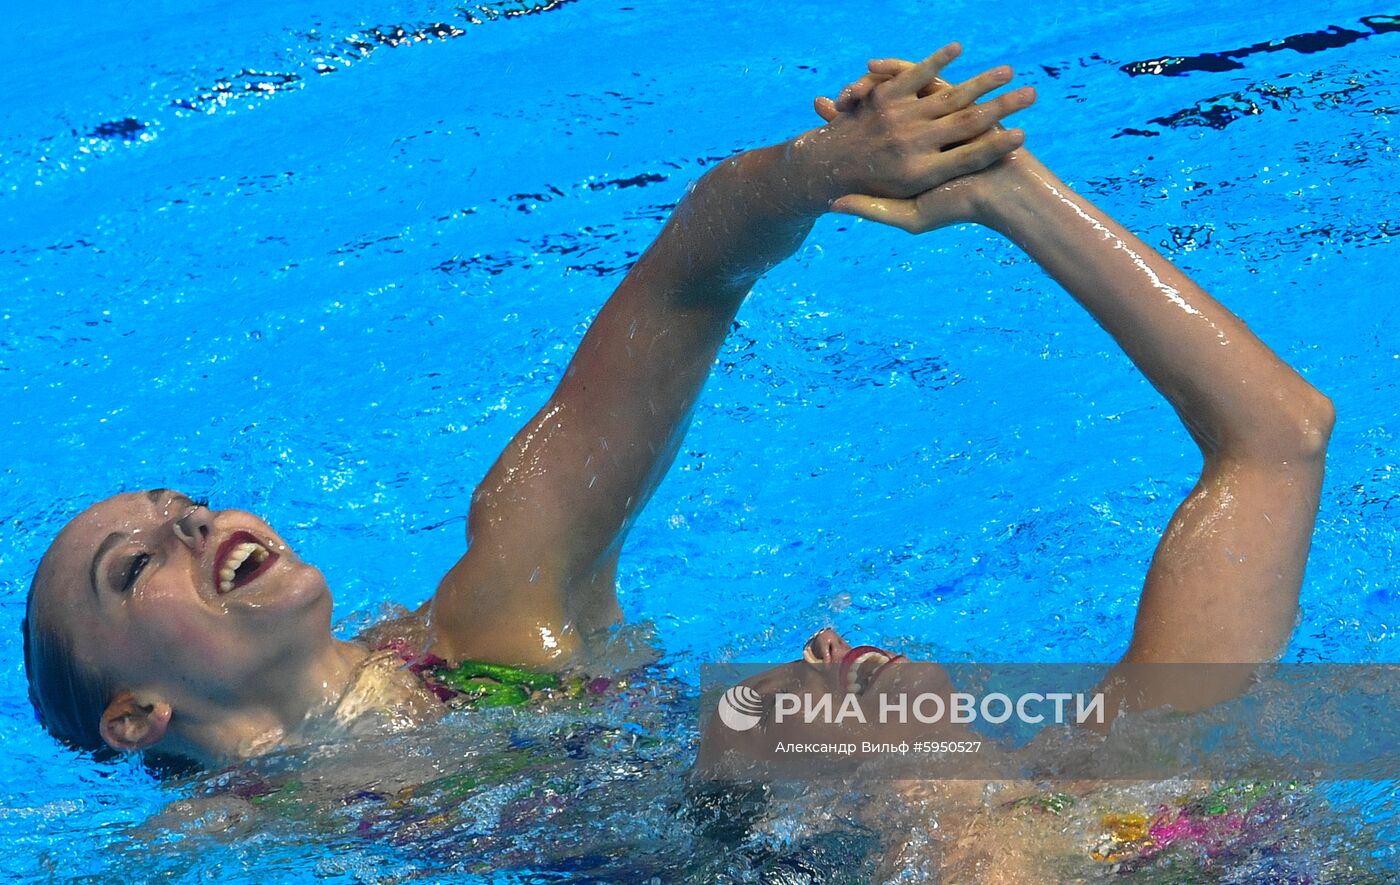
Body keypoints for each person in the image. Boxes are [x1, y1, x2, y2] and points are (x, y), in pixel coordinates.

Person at [23, 43, 1044, 769]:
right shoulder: (209, 846)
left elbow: (680, 284)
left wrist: (817, 170)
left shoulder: (506, 610)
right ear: (134, 717)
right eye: (138, 563)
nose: (188, 519)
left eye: (179, 501)